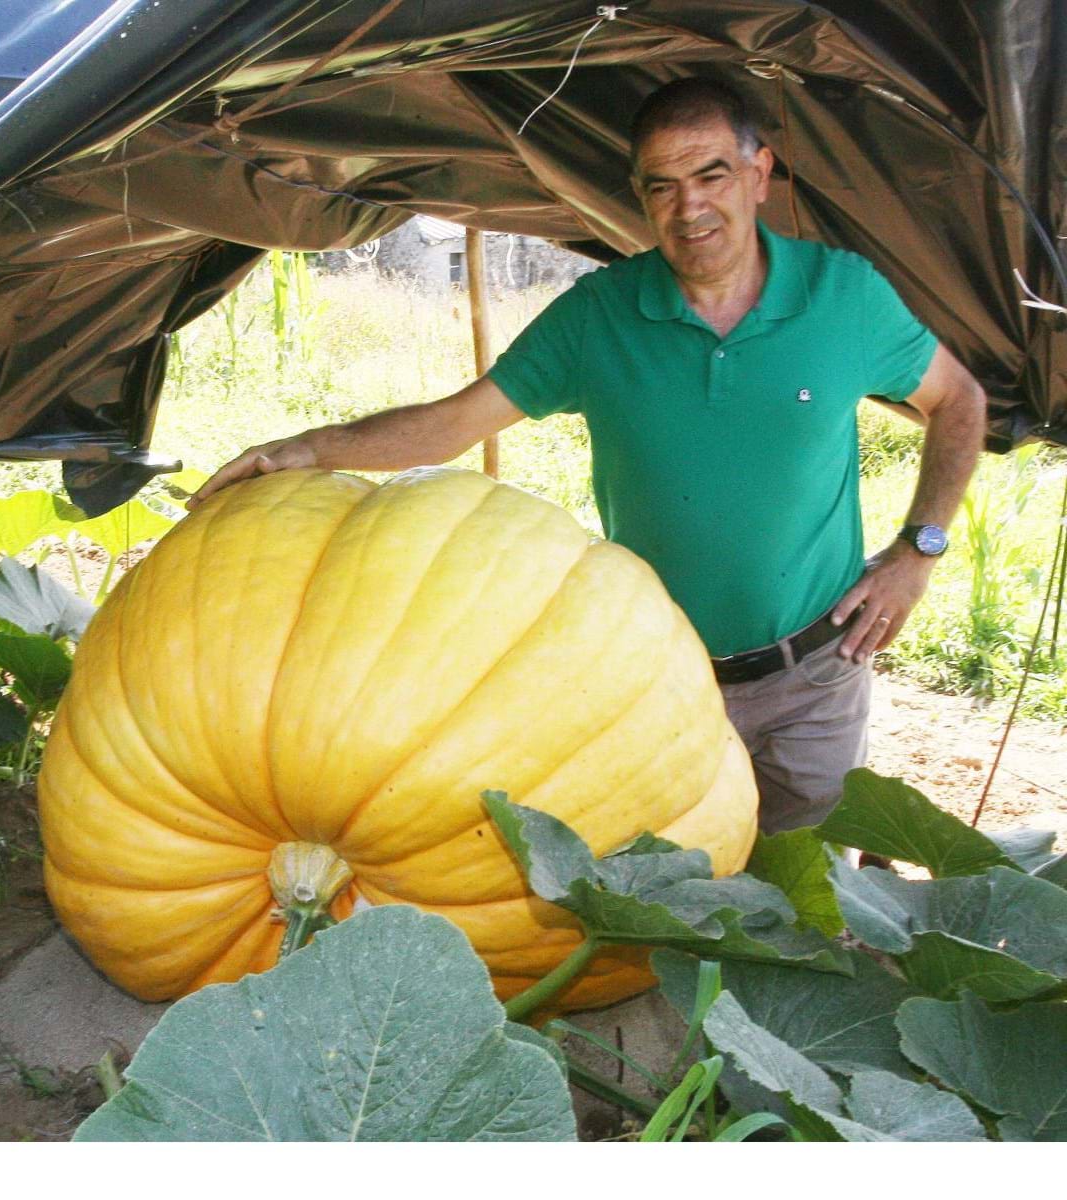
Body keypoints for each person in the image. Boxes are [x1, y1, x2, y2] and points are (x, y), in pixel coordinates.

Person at [187, 79, 986, 834]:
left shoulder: (842, 297)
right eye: (661, 187)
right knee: (665, 904)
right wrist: (305, 450)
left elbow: (960, 402)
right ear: (639, 196)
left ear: (758, 174)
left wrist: (919, 550)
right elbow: (453, 423)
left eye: (710, 175)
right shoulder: (598, 318)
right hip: (649, 677)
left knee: (807, 901)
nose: (690, 207)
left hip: (816, 673)